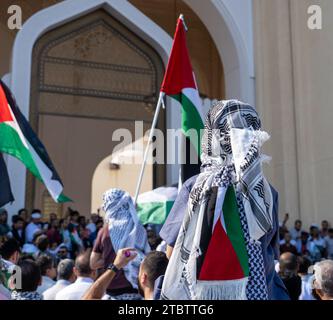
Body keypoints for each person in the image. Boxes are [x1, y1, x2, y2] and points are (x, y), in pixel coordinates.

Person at [160, 100, 289, 300]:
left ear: (212, 135)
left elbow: (172, 250)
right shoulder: (266, 191)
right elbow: (270, 248)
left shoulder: (195, 186)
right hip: (262, 292)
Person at [90, 189, 150, 300]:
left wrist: (113, 260)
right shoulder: (138, 228)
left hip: (111, 290)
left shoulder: (104, 232)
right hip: (136, 290)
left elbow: (93, 263)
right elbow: (147, 257)